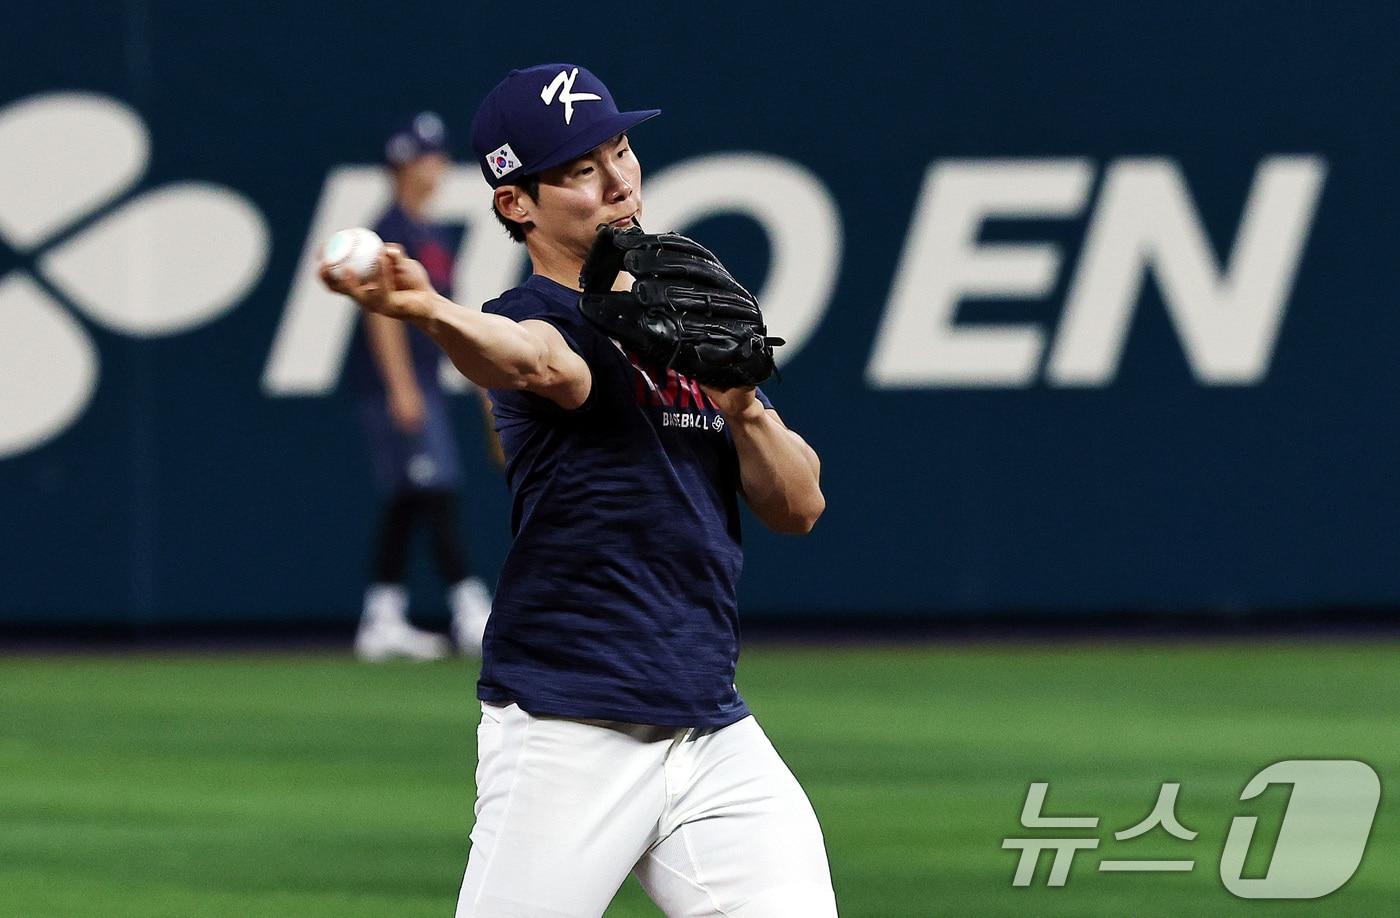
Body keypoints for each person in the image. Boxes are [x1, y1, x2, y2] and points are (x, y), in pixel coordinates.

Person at [323, 65, 836, 916]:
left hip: (709, 726)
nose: (619, 181)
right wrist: (428, 310)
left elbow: (800, 506)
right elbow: (528, 358)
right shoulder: (543, 318)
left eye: (622, 149)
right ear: (515, 203)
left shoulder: (685, 318)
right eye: (579, 169)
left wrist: (744, 405)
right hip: (570, 729)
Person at [344, 111, 493, 661]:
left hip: (423, 381)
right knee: (437, 491)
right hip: (398, 388)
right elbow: (380, 315)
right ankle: (470, 609)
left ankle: (382, 616)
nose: (439, 167)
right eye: (429, 157)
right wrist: (401, 388)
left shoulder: (426, 230)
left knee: (409, 498)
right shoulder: (391, 230)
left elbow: (441, 313)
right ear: (406, 165)